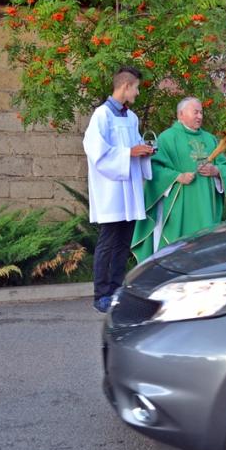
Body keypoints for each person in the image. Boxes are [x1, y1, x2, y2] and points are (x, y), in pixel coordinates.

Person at [83, 66, 155, 313]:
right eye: (136, 88)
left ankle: (116, 290)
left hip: (130, 190)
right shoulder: (102, 115)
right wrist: (129, 153)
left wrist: (144, 150)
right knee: (108, 242)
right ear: (126, 86)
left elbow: (134, 146)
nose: (137, 93)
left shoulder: (131, 118)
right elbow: (96, 151)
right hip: (112, 191)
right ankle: (101, 295)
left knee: (123, 242)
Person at [131, 97, 226, 262]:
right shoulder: (167, 138)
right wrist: (177, 176)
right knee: (176, 253)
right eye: (195, 112)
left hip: (205, 206)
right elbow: (154, 168)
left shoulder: (210, 139)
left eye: (201, 112)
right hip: (178, 206)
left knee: (203, 249)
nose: (200, 116)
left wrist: (216, 171)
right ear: (181, 114)